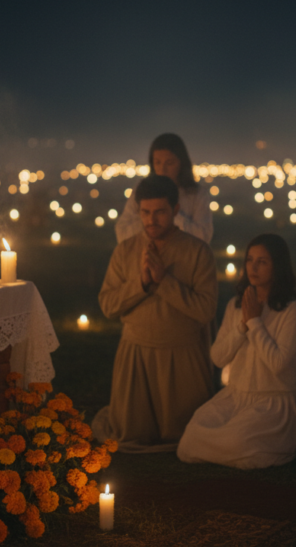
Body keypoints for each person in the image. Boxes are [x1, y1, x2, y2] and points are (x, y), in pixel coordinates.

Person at [93, 174, 218, 453]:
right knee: (133, 431)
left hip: (183, 359)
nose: (151, 220)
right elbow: (108, 305)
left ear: (174, 210)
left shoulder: (198, 252)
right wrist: (142, 284)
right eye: (145, 213)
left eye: (160, 212)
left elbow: (206, 310)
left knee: (184, 431)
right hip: (135, 357)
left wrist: (165, 282)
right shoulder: (125, 251)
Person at [177, 234, 296, 469]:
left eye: (262, 262)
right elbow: (218, 358)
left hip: (273, 402)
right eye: (249, 260)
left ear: (277, 266)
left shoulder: (292, 309)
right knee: (191, 436)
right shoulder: (235, 306)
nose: (253, 267)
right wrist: (241, 326)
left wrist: (255, 323)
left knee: (236, 440)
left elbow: (278, 364)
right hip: (235, 397)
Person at [115, 133, 213, 244]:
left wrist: (171, 215)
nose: (162, 170)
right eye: (157, 163)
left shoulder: (196, 194)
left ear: (181, 163)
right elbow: (122, 233)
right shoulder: (142, 190)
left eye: (169, 163)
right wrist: (149, 220)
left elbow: (203, 237)